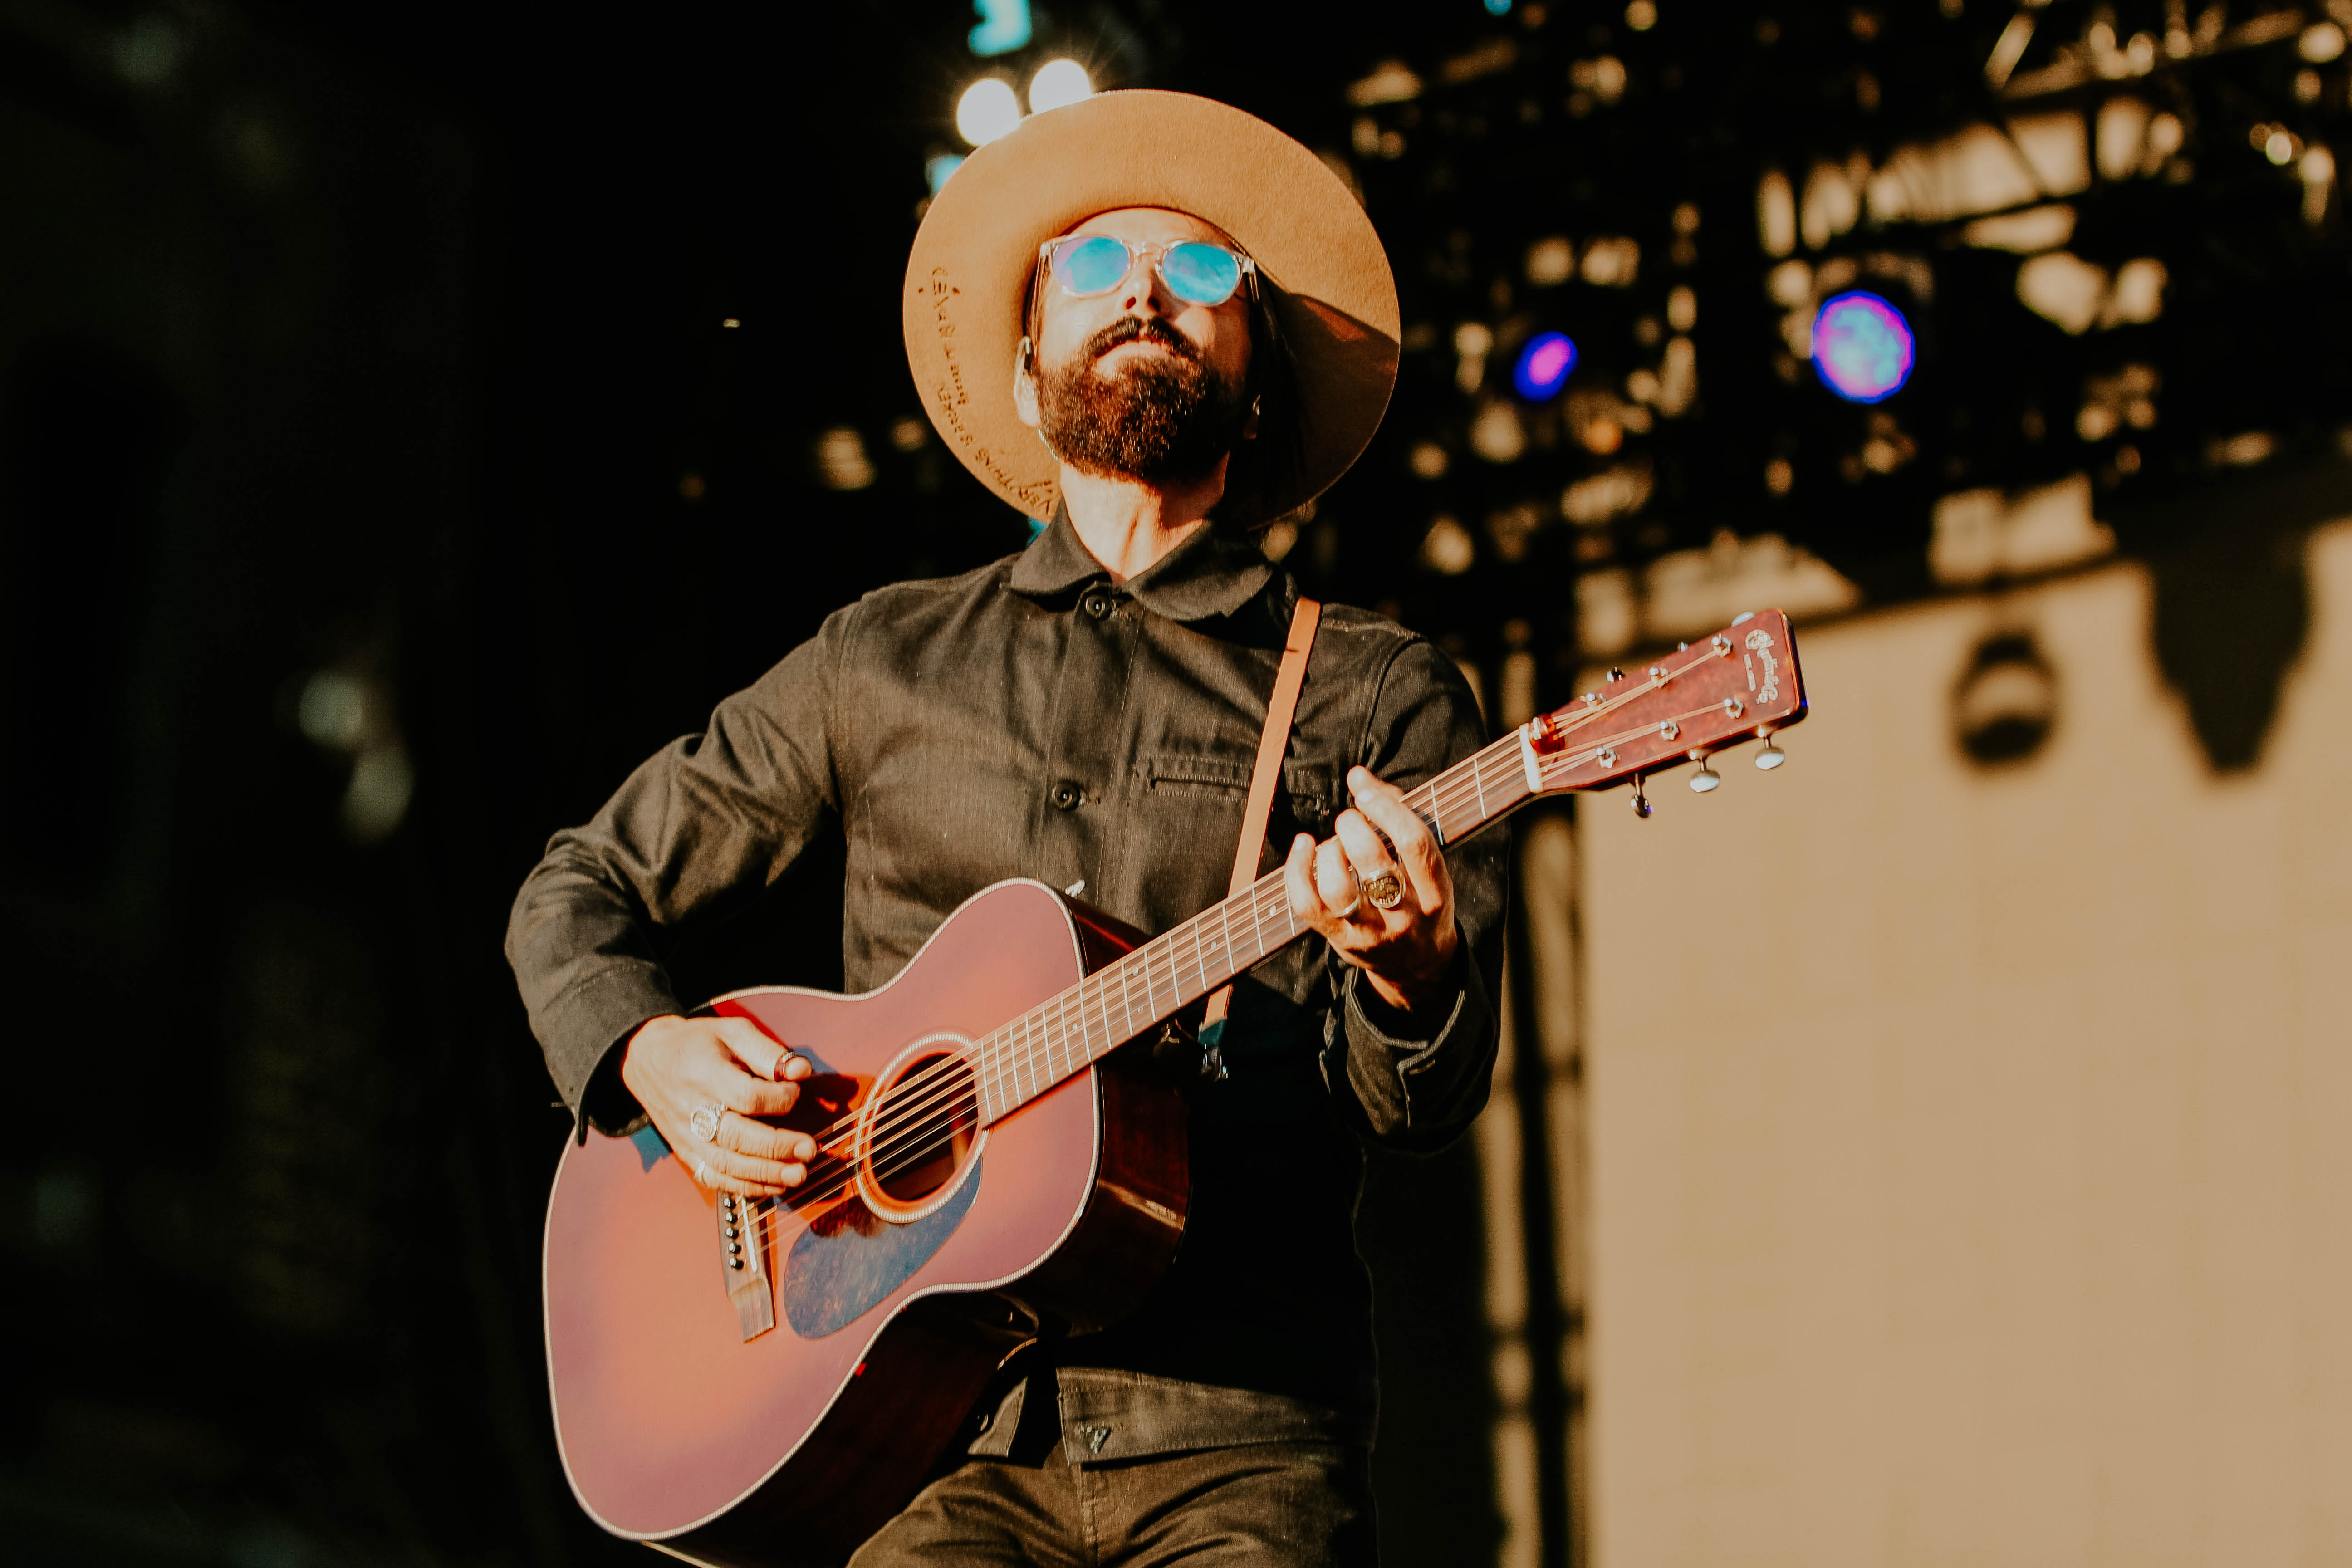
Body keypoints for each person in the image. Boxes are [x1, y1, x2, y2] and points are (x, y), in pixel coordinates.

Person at [507, 91, 1507, 1566]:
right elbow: (579, 889)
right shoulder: (881, 658)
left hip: (1241, 1438)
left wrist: (1414, 975)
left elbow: (1417, 1108)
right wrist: (650, 1053)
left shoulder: (1374, 690)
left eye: (1202, 271)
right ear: (1031, 379)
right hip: (918, 1439)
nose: (1146, 294)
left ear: (1258, 388)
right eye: (1092, 266)